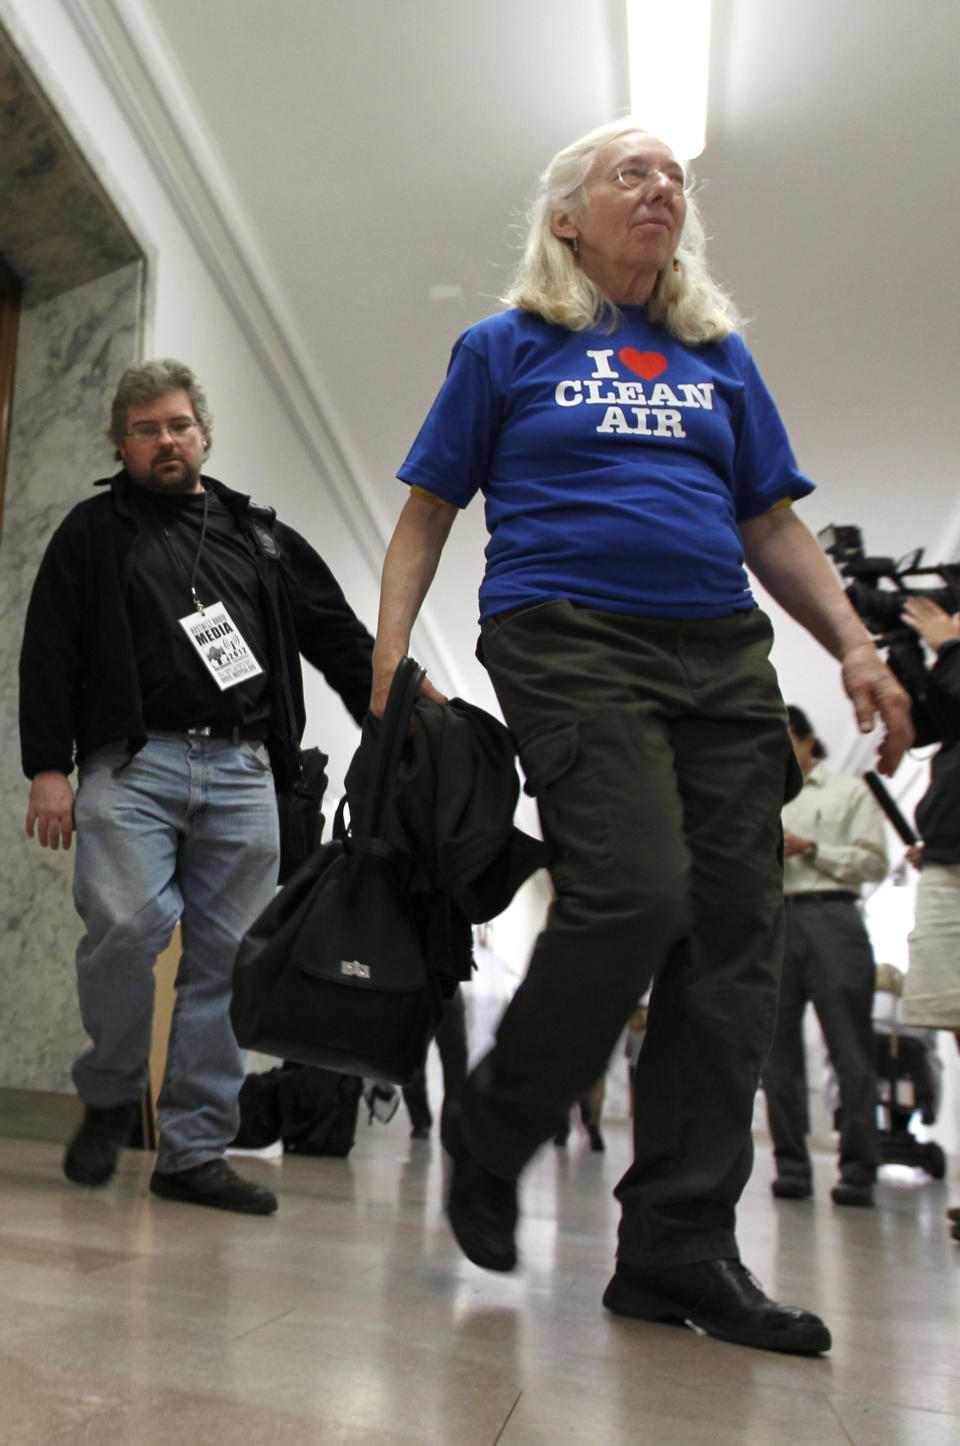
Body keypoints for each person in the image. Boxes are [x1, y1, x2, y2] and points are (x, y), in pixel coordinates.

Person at [370, 117, 911, 1355]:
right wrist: (393, 659)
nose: (661, 187)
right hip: (564, 636)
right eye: (632, 171)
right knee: (635, 889)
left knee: (736, 936)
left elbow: (769, 522)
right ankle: (496, 1129)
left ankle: (678, 1248)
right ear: (566, 216)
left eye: (675, 176)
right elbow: (425, 512)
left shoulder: (717, 355)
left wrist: (855, 649)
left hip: (720, 653)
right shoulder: (505, 347)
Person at [20, 359, 373, 1215]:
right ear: (121, 443)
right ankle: (109, 1092)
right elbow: (48, 652)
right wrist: (48, 768)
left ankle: (194, 1150)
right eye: (146, 429)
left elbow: (335, 634)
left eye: (178, 424)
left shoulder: (258, 536)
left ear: (203, 434)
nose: (165, 440)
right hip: (131, 767)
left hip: (245, 770)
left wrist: (402, 706)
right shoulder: (91, 532)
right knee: (129, 927)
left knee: (225, 964)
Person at [762, 705, 888, 1207]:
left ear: (809, 740)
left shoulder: (848, 791)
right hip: (774, 922)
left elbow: (875, 860)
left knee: (851, 1052)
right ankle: (791, 1166)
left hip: (834, 918)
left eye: (783, 737)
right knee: (777, 1058)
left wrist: (811, 848)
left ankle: (858, 1170)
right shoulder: (760, 797)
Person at [899, 596, 960, 1244]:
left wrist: (949, 647)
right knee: (956, 1019)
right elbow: (927, 727)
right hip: (946, 857)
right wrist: (908, 654)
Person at [403, 989, 468, 1147]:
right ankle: (448, 1127)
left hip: (419, 991)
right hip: (447, 991)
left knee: (413, 1061)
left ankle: (421, 1123)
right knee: (455, 1067)